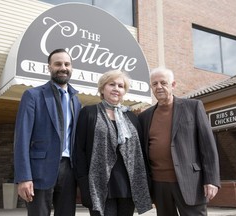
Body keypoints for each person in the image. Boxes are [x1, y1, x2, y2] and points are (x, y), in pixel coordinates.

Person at [138, 67, 220, 216]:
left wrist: (212, 179)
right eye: (155, 84)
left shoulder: (193, 107)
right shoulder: (144, 117)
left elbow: (208, 146)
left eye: (163, 83)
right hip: (159, 184)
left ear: (173, 85)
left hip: (190, 181)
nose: (159, 87)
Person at [74, 70, 152, 216]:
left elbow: (140, 152)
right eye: (112, 84)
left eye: (121, 86)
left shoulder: (132, 117)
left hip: (128, 185)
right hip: (100, 184)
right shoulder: (89, 113)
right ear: (102, 89)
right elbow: (79, 151)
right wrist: (83, 183)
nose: (116, 88)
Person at [14, 48, 81, 216]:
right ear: (49, 67)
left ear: (71, 67)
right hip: (39, 171)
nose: (63, 67)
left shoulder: (76, 100)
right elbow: (22, 138)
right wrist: (23, 177)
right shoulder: (33, 95)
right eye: (58, 64)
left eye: (67, 64)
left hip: (69, 171)